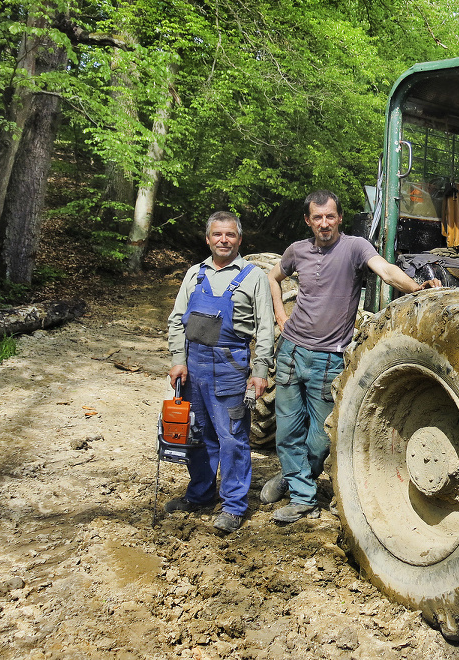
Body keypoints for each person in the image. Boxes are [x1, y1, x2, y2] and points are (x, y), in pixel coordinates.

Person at [263, 189, 442, 523]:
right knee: (287, 431)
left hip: (329, 357)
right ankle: (302, 496)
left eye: (330, 216)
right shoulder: (297, 251)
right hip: (291, 351)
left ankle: (292, 477)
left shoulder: (355, 247)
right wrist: (280, 316)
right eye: (317, 217)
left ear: (340, 218)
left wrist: (416, 289)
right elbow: (273, 277)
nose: (325, 223)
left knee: (319, 439)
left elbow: (386, 271)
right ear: (308, 220)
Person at [164, 211, 275, 533]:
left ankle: (234, 506)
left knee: (232, 439)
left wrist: (261, 370)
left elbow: (265, 328)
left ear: (239, 239)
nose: (223, 240)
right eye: (217, 235)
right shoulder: (194, 274)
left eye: (229, 235)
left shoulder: (253, 276)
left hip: (229, 365)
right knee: (196, 435)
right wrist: (177, 359)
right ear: (208, 238)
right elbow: (176, 320)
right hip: (193, 364)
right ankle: (199, 494)